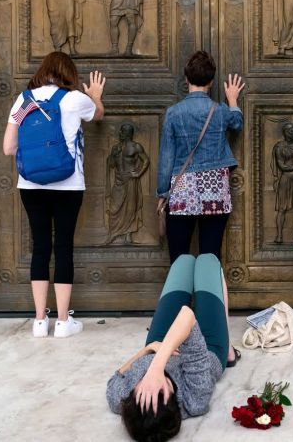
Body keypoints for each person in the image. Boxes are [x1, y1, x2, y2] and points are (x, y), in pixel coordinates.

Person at [2, 51, 106, 338]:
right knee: (63, 247)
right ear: (68, 73)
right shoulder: (74, 99)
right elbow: (98, 115)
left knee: (40, 246)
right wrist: (95, 95)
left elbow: (8, 148)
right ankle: (62, 321)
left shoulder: (23, 101)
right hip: (68, 184)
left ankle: (38, 321)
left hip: (30, 185)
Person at [156, 50, 245, 365]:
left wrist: (162, 192)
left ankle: (171, 339)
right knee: (211, 266)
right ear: (211, 81)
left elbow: (167, 157)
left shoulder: (174, 113)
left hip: (181, 194)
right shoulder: (220, 111)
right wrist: (232, 99)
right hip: (214, 193)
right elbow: (237, 121)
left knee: (179, 266)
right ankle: (221, 342)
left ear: (186, 79)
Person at [107, 254, 229, 442]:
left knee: (184, 262)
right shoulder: (194, 400)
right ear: (176, 401)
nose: (155, 382)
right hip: (208, 347)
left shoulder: (121, 399)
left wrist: (148, 351)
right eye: (162, 390)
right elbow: (186, 316)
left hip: (158, 342)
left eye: (145, 388)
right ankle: (228, 349)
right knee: (207, 260)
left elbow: (117, 377)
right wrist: (156, 369)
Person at [105, 123, 150, 245]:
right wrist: (112, 157)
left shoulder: (136, 146)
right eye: (120, 131)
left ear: (128, 133)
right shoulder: (116, 148)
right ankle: (112, 234)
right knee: (115, 207)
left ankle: (128, 236)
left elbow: (146, 160)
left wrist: (138, 173)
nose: (120, 134)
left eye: (122, 131)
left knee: (131, 207)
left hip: (130, 180)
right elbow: (112, 165)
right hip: (119, 180)